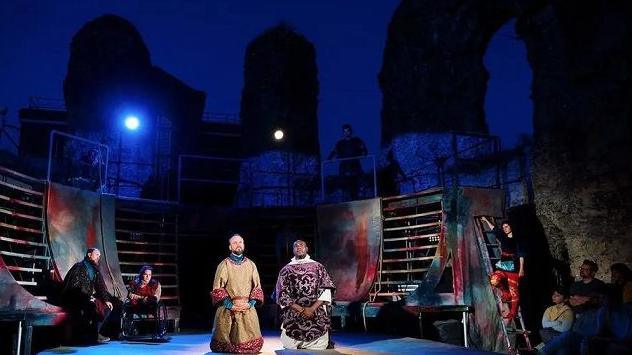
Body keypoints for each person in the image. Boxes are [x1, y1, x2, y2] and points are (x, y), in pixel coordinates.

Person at [275, 240, 336, 350]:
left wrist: (312, 309)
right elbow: (282, 295)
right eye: (295, 246)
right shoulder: (285, 270)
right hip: (295, 311)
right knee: (289, 345)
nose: (298, 247)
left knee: (320, 345)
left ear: (307, 249)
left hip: (315, 310)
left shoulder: (318, 267)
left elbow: (327, 289)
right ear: (293, 250)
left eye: (301, 245)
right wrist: (302, 310)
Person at [209, 234, 264, 353]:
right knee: (225, 346)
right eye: (235, 243)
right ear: (230, 247)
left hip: (246, 308)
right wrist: (230, 305)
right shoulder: (224, 264)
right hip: (229, 308)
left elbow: (257, 287)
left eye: (240, 242)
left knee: (252, 347)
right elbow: (217, 288)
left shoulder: (251, 264)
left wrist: (250, 304)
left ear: (243, 245)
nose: (238, 245)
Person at [61, 248, 116, 343]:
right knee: (92, 306)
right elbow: (74, 286)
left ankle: (95, 333)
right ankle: (91, 334)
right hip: (74, 297)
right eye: (97, 254)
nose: (98, 257)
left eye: (99, 256)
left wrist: (106, 299)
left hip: (85, 297)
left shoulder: (95, 269)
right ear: (89, 254)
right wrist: (89, 297)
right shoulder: (79, 266)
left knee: (108, 306)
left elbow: (100, 286)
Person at [481, 216, 525, 320]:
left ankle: (513, 312)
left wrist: (521, 269)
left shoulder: (518, 239)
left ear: (511, 227)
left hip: (514, 267)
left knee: (514, 291)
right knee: (494, 280)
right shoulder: (503, 236)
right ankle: (505, 292)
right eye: (503, 227)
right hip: (504, 264)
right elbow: (494, 229)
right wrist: (486, 220)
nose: (505, 228)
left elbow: (521, 255)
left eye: (506, 226)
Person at [122, 265, 165, 338]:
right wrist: (142, 298)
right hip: (136, 306)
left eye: (150, 275)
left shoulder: (156, 284)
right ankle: (127, 329)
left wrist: (147, 299)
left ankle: (157, 329)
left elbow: (156, 297)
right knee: (126, 305)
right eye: (146, 274)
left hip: (150, 306)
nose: (148, 277)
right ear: (142, 274)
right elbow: (130, 295)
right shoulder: (134, 283)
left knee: (154, 303)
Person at [327, 123, 368, 200]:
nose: (346, 133)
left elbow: (364, 149)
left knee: (358, 183)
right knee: (345, 184)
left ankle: (359, 197)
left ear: (351, 131)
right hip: (344, 166)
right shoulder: (340, 143)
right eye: (345, 131)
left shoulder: (356, 141)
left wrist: (364, 153)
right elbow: (334, 151)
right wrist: (329, 158)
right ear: (343, 133)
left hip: (355, 165)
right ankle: (345, 198)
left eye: (348, 131)